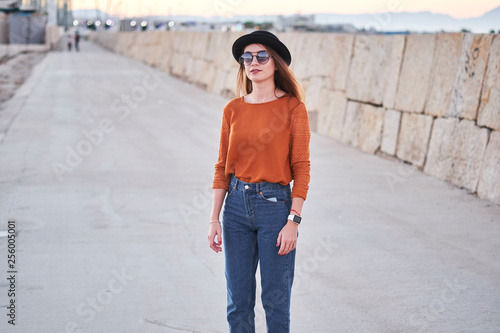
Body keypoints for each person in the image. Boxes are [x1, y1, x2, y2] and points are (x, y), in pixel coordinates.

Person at [208, 30, 311, 333]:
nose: (253, 62)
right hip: (236, 208)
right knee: (238, 301)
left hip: (275, 208)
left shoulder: (293, 108)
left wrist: (294, 220)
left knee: (275, 301)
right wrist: (214, 218)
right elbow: (221, 167)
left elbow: (302, 168)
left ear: (275, 63)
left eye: (261, 56)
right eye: (247, 58)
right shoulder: (233, 109)